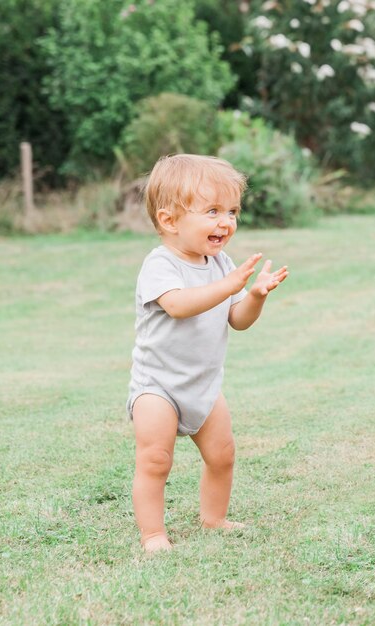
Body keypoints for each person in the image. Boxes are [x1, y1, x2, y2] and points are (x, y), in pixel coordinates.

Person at [127, 154, 288, 552]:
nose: (226, 221)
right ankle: (153, 534)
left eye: (232, 211)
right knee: (155, 460)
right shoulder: (160, 264)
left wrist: (253, 295)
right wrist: (230, 285)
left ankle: (214, 518)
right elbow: (180, 305)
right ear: (170, 221)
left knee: (223, 454)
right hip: (157, 386)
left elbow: (237, 319)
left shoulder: (221, 265)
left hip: (203, 385)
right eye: (212, 210)